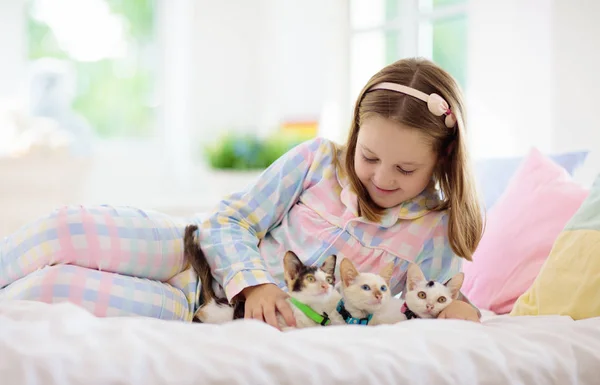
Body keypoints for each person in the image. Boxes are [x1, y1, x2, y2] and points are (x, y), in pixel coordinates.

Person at [0, 58, 483, 327]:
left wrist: (462, 312)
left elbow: (429, 305)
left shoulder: (435, 233)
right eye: (370, 156)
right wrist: (253, 281)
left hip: (202, 312)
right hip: (190, 253)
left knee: (52, 287)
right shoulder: (318, 161)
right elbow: (231, 219)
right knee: (67, 228)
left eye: (404, 169)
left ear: (442, 160)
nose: (381, 178)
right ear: (356, 134)